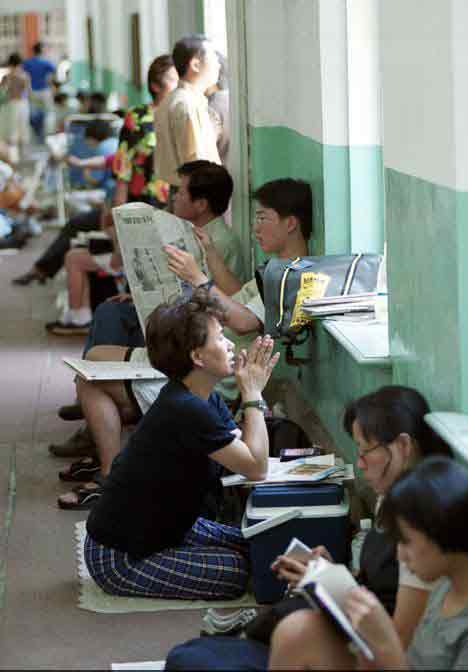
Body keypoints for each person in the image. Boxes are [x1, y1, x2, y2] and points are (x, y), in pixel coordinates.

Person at [164, 386, 451, 671]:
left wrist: (332, 587)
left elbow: (394, 643)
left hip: (363, 651)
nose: (360, 464)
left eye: (366, 452)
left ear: (403, 447)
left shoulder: (420, 529)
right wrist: (329, 573)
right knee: (189, 654)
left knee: (191, 662)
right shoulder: (390, 499)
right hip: (343, 631)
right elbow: (378, 587)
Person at [54, 178, 311, 467]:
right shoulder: (274, 268)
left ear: (291, 223)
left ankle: (110, 470)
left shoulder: (290, 278)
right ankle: (118, 439)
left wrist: (197, 278)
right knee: (95, 355)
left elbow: (243, 321)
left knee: (89, 381)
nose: (256, 228)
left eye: (263, 218)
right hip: (195, 354)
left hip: (209, 370)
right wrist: (207, 254)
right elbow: (235, 295)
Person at [56, 160, 243, 502]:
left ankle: (110, 473)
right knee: (103, 333)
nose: (173, 198)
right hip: (182, 333)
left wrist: (190, 281)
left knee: (91, 378)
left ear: (201, 203)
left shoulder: (221, 245)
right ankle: (103, 432)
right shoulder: (198, 235)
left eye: (180, 192)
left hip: (192, 350)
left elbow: (219, 310)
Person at [84, 290, 280, 599]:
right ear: (197, 357)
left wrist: (252, 395)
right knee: (236, 572)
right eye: (220, 338)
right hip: (119, 556)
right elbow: (256, 467)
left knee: (257, 545)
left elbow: (245, 452)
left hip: (168, 530)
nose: (230, 345)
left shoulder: (203, 398)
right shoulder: (186, 408)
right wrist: (252, 393)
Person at [269, 456, 468, 670]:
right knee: (297, 630)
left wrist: (386, 644)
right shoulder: (448, 581)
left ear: (441, 533)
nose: (400, 556)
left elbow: (397, 654)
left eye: (406, 541)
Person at [13, 54, 178, 290]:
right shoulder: (139, 117)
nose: (178, 85)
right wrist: (117, 207)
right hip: (140, 199)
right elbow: (123, 162)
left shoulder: (182, 115)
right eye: (173, 79)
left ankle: (44, 270)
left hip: (172, 201)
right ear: (155, 85)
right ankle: (45, 271)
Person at [154, 34, 221, 206]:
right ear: (195, 65)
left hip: (181, 194)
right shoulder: (188, 105)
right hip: (194, 198)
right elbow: (195, 164)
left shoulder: (171, 100)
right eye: (214, 57)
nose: (218, 64)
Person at [23, 42, 56, 143]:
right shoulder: (46, 62)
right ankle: (47, 134)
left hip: (32, 91)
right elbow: (52, 74)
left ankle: (37, 134)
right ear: (42, 50)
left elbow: (25, 77)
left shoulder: (27, 63)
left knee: (33, 114)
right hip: (45, 90)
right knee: (48, 112)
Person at [0, 53, 31, 155]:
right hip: (20, 103)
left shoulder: (8, 76)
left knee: (12, 129)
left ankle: (14, 153)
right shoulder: (23, 75)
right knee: (21, 127)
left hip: (12, 104)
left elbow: (2, 91)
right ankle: (21, 153)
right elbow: (28, 91)